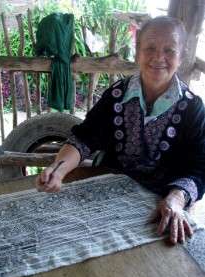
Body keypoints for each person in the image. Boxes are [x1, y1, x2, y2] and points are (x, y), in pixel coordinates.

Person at [36, 16, 205, 245]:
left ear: (182, 55)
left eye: (169, 50)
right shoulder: (116, 95)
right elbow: (84, 138)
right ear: (137, 51)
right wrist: (58, 170)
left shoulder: (193, 108)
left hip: (162, 205)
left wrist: (176, 198)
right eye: (150, 48)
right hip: (108, 195)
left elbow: (199, 168)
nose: (158, 57)